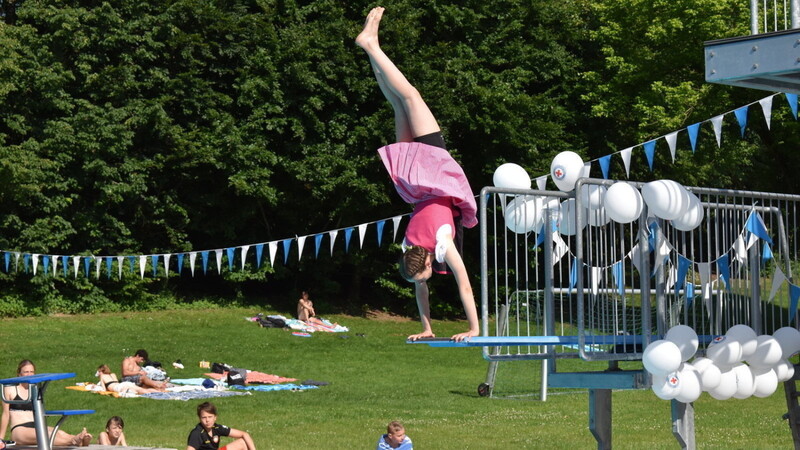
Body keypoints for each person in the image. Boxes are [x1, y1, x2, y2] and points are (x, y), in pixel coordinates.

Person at [356, 7, 480, 342]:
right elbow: (420, 289)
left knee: (411, 95)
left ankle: (371, 45)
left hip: (432, 170)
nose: (425, 282)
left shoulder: (441, 244)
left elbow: (465, 285)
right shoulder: (409, 247)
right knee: (398, 105)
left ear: (425, 262)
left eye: (423, 276)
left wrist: (474, 328)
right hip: (412, 178)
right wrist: (426, 327)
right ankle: (371, 45)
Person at [0, 360, 92, 447]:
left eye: (31, 372)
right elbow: (5, 414)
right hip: (20, 429)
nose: (29, 374)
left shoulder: (35, 390)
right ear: (19, 374)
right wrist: (1, 438)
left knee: (60, 433)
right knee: (46, 435)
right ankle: (74, 440)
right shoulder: (10, 389)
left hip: (36, 425)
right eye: (26, 372)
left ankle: (81, 439)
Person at [186, 402, 255, 450]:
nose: (207, 420)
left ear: (215, 417)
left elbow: (244, 434)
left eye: (210, 417)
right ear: (200, 418)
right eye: (204, 417)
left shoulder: (217, 428)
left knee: (242, 442)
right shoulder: (197, 433)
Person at [96, 364, 164, 394]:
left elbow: (104, 389)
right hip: (124, 384)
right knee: (141, 389)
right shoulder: (113, 374)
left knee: (140, 391)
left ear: (101, 372)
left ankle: (156, 393)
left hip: (119, 388)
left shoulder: (102, 377)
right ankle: (159, 391)